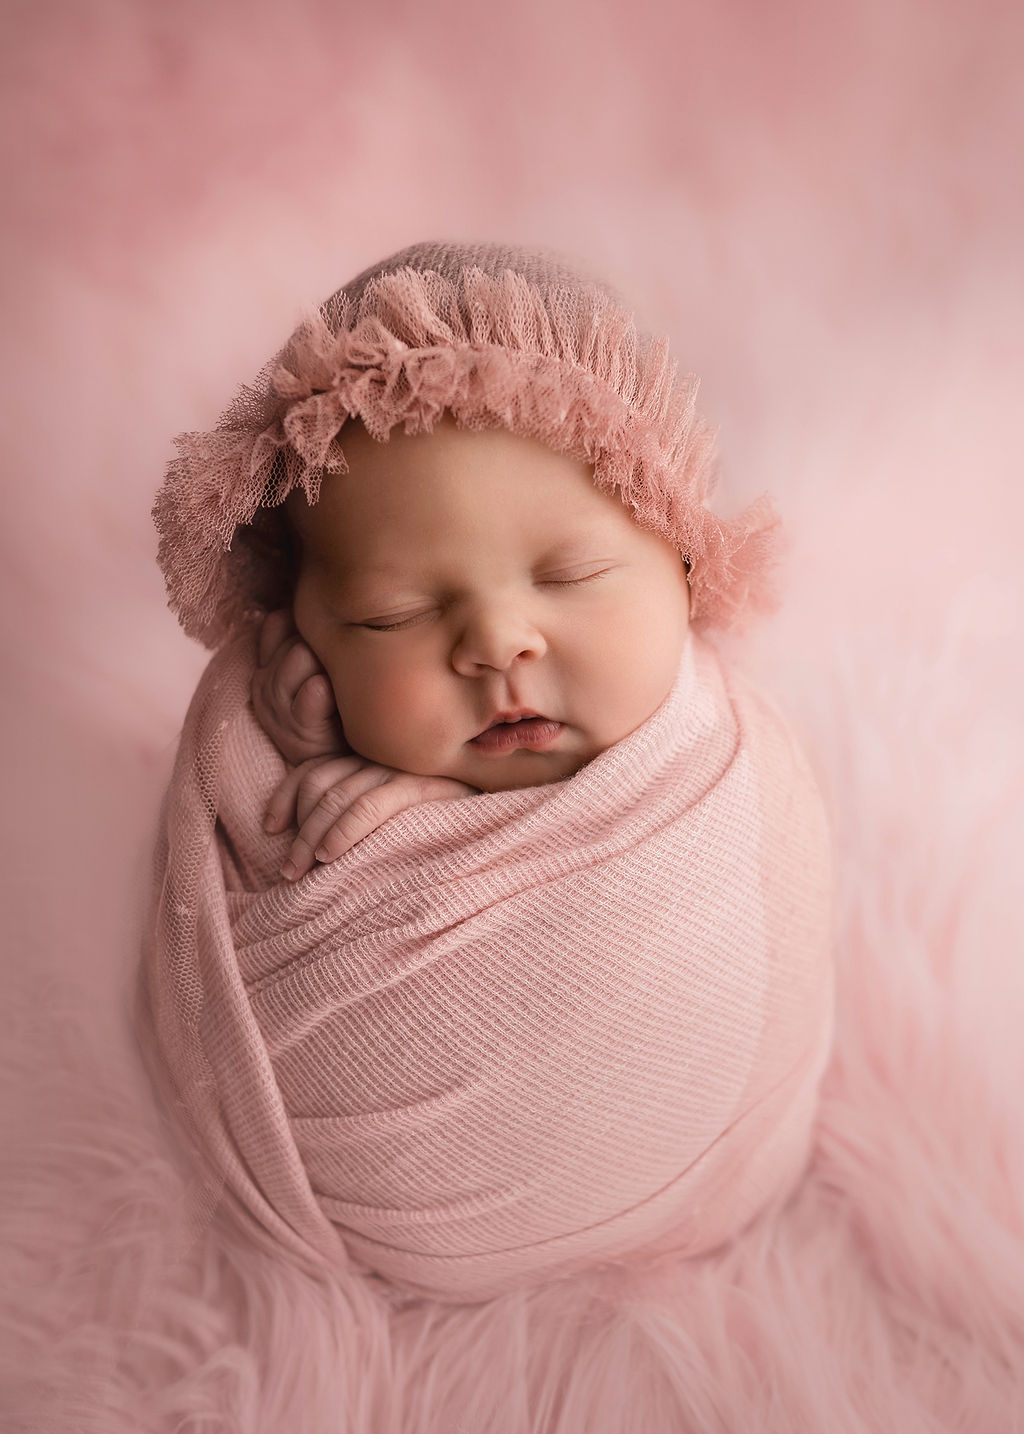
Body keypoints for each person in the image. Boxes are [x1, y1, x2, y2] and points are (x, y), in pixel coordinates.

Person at [138, 240, 835, 1306]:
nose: (499, 642)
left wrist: (443, 811)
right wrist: (298, 741)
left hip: (711, 1166)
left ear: (686, 566)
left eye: (574, 574)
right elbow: (244, 869)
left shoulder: (719, 763)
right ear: (304, 632)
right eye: (394, 615)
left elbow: (760, 930)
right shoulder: (296, 727)